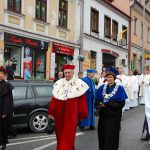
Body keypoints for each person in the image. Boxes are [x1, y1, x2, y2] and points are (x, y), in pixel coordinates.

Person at [48, 64, 89, 150]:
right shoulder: (59, 83)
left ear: (73, 73)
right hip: (59, 114)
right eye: (65, 72)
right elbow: (54, 99)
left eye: (69, 73)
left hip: (71, 115)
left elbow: (82, 101)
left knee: (68, 134)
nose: (67, 74)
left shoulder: (79, 84)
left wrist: (82, 115)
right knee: (60, 134)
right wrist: (51, 112)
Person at [95, 71, 128, 150]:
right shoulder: (102, 87)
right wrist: (99, 105)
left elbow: (121, 103)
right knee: (102, 134)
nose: (109, 79)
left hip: (114, 115)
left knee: (112, 135)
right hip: (103, 115)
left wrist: (107, 104)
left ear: (114, 78)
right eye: (107, 77)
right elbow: (97, 99)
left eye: (111, 77)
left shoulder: (120, 88)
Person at [0, 66, 14, 150]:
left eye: (1, 73)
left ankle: (3, 143)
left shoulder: (7, 85)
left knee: (2, 128)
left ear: (5, 75)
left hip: (2, 110)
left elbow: (8, 101)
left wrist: (5, 112)